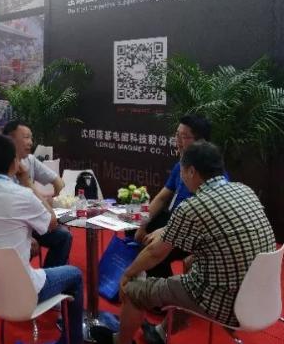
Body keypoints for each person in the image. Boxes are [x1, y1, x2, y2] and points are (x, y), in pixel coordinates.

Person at [90, 141, 276, 344]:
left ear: (191, 171)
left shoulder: (193, 206)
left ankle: (120, 341)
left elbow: (155, 253)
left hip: (224, 303)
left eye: (182, 171)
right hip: (263, 297)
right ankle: (160, 333)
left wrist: (127, 274)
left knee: (133, 289)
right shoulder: (244, 190)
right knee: (191, 268)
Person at [0, 134, 84, 344]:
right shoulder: (22, 195)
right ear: (14, 163)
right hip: (19, 293)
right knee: (76, 275)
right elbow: (52, 223)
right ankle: (72, 340)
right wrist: (28, 182)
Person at [134, 114, 212, 278]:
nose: (177, 141)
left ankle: (163, 289)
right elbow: (162, 198)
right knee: (134, 227)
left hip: (195, 230)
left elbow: (203, 219)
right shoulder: (180, 166)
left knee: (154, 249)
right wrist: (142, 224)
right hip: (175, 219)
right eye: (177, 135)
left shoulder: (211, 173)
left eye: (183, 136)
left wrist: (167, 232)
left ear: (200, 142)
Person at [2, 120, 73, 268]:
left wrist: (55, 199)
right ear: (10, 139)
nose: (30, 142)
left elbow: (58, 182)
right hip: (11, 227)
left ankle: (48, 278)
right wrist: (25, 236)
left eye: (31, 138)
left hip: (32, 223)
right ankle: (15, 277)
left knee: (63, 236)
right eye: (26, 137)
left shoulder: (29, 160)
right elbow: (4, 213)